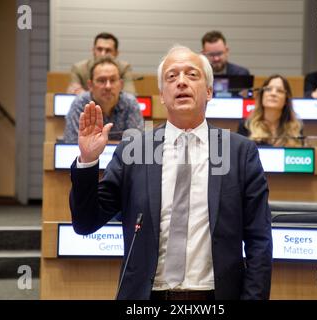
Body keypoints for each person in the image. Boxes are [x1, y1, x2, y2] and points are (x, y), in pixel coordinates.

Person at [69, 45, 272, 300]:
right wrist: (88, 160)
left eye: (192, 75)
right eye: (172, 76)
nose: (182, 82)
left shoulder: (240, 153)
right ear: (162, 95)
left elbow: (259, 241)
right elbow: (85, 223)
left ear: (209, 91)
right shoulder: (135, 150)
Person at [63, 56, 144, 142]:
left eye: (112, 80)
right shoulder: (80, 104)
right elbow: (72, 144)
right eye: (101, 80)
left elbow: (137, 144)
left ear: (121, 84)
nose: (108, 86)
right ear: (90, 85)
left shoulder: (130, 103)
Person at [238, 75, 303, 147]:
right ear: (262, 96)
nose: (273, 94)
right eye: (268, 89)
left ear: (286, 100)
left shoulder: (295, 128)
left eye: (279, 91)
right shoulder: (247, 125)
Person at [67, 32, 136, 95]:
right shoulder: (79, 68)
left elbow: (130, 95)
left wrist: (86, 94)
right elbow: (73, 93)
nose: (103, 54)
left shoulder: (124, 68)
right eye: (99, 49)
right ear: (93, 50)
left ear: (116, 53)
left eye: (108, 50)